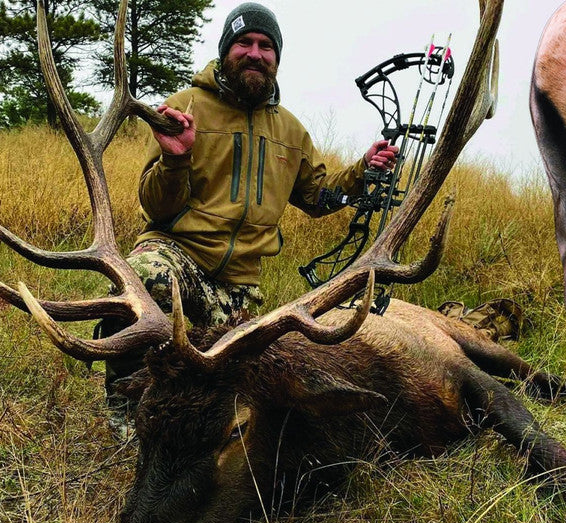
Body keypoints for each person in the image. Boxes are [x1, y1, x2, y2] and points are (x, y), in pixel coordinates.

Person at [100, 2, 398, 436]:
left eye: (266, 46)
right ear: (226, 50)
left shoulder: (290, 131)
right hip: (178, 256)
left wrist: (362, 170)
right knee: (145, 279)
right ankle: (126, 413)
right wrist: (175, 159)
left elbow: (318, 197)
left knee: (245, 374)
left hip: (240, 287)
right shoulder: (184, 107)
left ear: (277, 57)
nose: (255, 53)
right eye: (244, 43)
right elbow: (155, 207)